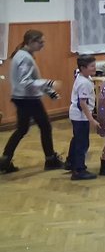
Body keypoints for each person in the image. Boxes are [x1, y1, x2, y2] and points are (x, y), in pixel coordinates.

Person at [0, 30, 64, 173]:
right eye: (40, 42)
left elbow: (33, 79)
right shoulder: (24, 57)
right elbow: (26, 82)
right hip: (27, 99)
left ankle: (4, 160)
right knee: (45, 127)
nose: (43, 45)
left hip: (22, 98)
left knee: (22, 129)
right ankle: (50, 160)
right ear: (30, 42)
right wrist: (50, 83)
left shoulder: (22, 55)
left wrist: (50, 92)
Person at [67, 54, 99, 180]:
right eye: (92, 66)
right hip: (81, 117)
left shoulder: (83, 77)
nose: (94, 68)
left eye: (94, 65)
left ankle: (71, 162)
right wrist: (91, 119)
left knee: (77, 140)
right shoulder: (84, 83)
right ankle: (79, 170)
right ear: (83, 68)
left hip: (77, 116)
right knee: (82, 143)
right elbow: (82, 103)